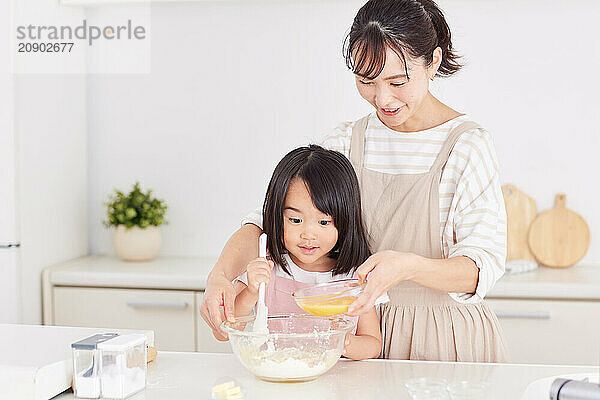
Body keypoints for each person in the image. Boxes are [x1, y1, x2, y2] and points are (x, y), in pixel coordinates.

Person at [201, 0, 507, 362]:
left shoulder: (467, 145)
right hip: (355, 337)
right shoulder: (347, 141)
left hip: (442, 336)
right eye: (367, 81)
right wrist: (220, 276)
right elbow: (265, 220)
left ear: (434, 61)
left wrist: (407, 267)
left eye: (397, 81)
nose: (383, 98)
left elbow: (480, 266)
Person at [233, 145, 387, 360]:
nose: (308, 234)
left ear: (345, 222)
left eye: (324, 222)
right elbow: (232, 323)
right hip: (276, 379)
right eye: (295, 220)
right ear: (277, 217)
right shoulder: (264, 263)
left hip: (337, 386)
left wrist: (344, 343)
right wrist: (251, 291)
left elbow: (372, 343)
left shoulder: (356, 276)